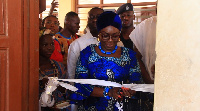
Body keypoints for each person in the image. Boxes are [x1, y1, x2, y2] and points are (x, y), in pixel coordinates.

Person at [70, 11, 141, 111]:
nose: (110, 40)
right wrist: (108, 92)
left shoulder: (129, 55)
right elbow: (80, 84)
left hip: (120, 107)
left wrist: (130, 90)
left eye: (115, 36)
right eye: (105, 35)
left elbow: (136, 80)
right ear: (99, 34)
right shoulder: (87, 54)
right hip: (92, 107)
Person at [67, 7, 124, 80]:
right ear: (87, 20)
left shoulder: (118, 43)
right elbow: (71, 75)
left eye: (98, 17)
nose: (94, 20)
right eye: (91, 17)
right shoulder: (77, 45)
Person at [116, 3, 153, 84]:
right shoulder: (115, 38)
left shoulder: (142, 36)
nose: (125, 18)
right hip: (121, 80)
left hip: (142, 80)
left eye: (128, 15)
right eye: (122, 16)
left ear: (134, 17)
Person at [39, 34, 69, 111]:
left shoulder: (59, 66)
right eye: (45, 45)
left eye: (52, 44)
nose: (49, 48)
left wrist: (54, 84)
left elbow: (66, 90)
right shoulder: (32, 68)